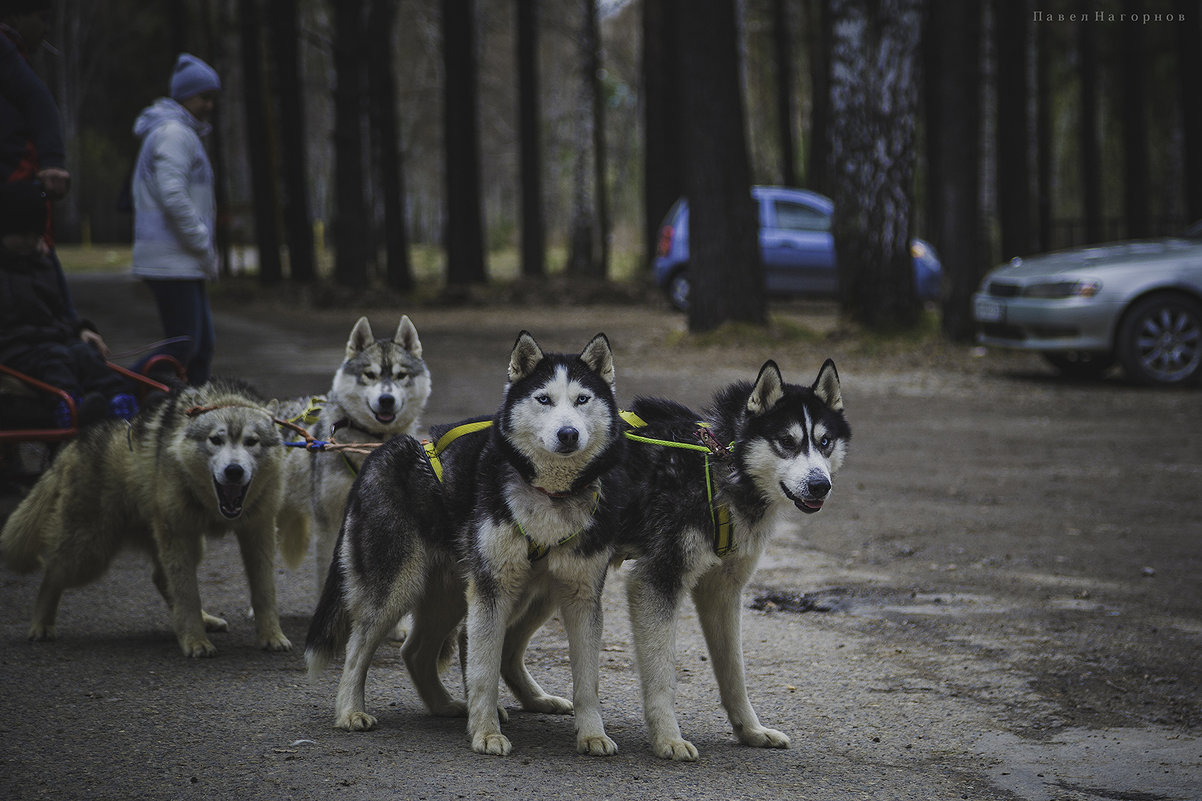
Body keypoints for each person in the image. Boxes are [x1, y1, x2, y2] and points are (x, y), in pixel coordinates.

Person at [0, 181, 135, 427]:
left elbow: (60, 311)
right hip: (15, 349)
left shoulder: (41, 266)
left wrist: (80, 328)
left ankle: (119, 399)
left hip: (51, 340)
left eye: (35, 235)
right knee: (56, 359)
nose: (29, 242)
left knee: (84, 354)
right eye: (21, 235)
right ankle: (69, 409)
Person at [131, 53, 221, 386]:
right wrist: (200, 238)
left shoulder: (178, 133)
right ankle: (116, 389)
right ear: (184, 95)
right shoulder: (173, 134)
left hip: (180, 259)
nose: (210, 106)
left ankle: (192, 414)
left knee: (199, 346)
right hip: (172, 257)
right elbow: (173, 194)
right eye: (205, 97)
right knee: (182, 347)